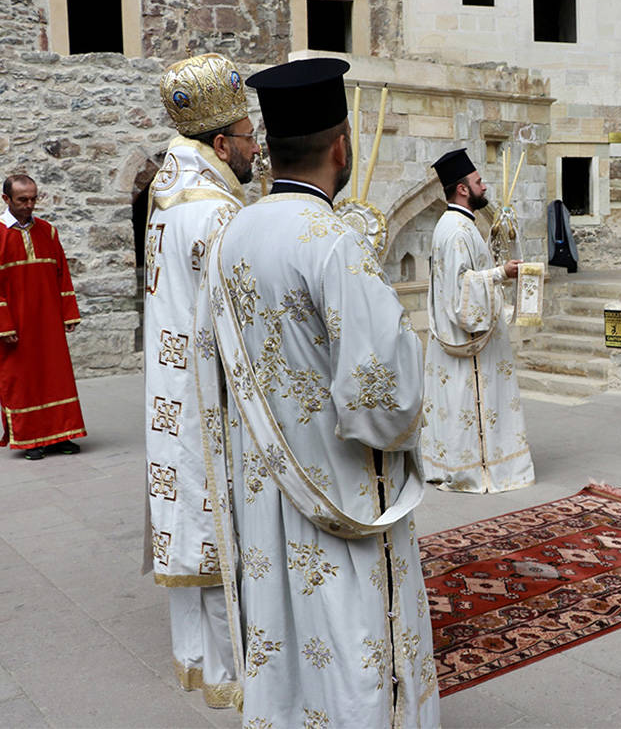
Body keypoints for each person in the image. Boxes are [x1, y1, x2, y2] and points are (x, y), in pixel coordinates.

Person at [200, 57, 438, 727]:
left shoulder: (229, 236)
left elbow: (209, 369)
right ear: (342, 146)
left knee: (286, 629)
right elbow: (382, 397)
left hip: (264, 481)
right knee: (354, 633)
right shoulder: (333, 241)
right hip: (341, 490)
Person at [142, 53, 259, 708]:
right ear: (220, 143)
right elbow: (240, 321)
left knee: (190, 516)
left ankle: (195, 658)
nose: (254, 149)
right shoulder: (215, 212)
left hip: (171, 389)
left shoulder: (168, 196)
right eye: (247, 138)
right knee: (217, 525)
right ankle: (230, 669)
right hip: (206, 394)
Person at [421, 148, 535, 493]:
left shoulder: (457, 225)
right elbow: (461, 293)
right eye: (478, 181)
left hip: (453, 343)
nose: (484, 186)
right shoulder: (456, 231)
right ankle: (475, 469)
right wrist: (501, 273)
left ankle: (458, 463)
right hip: (468, 346)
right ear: (462, 189)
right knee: (466, 401)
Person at [0, 174, 86, 460]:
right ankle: (29, 439)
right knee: (22, 380)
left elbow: (62, 273)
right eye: (22, 199)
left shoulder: (48, 232)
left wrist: (69, 312)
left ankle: (62, 434)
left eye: (33, 198)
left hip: (48, 321)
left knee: (55, 377)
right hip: (17, 325)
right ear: (6, 199)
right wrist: (4, 324)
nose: (29, 205)